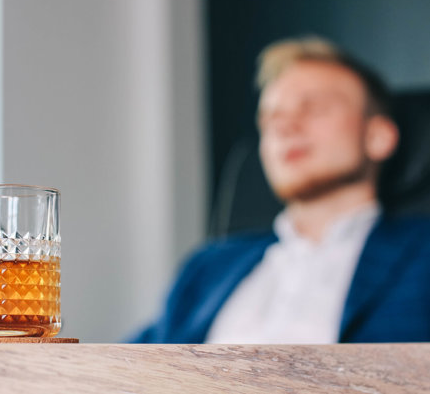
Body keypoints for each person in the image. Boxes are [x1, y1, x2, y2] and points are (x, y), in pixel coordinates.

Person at [132, 37, 430, 344]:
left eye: (313, 109)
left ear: (377, 136)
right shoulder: (206, 269)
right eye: (272, 117)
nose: (285, 127)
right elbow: (114, 371)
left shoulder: (423, 255)